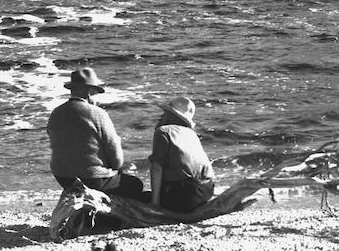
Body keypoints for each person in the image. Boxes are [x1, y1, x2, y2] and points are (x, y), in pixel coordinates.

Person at [46, 67, 144, 199]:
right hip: (91, 178)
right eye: (95, 92)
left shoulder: (56, 112)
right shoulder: (97, 113)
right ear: (89, 92)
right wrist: (116, 169)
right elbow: (115, 153)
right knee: (135, 184)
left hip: (63, 177)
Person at [148, 95, 215, 212]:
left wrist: (155, 204)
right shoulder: (191, 134)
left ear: (170, 116)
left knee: (141, 196)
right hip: (206, 192)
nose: (161, 117)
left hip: (185, 196)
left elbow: (157, 168)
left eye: (165, 113)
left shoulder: (163, 131)